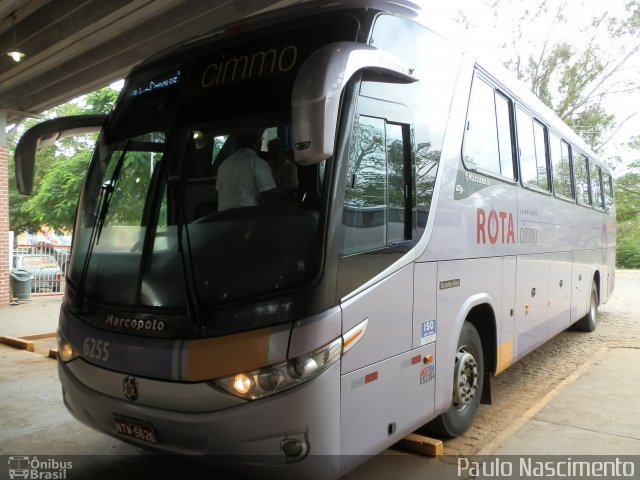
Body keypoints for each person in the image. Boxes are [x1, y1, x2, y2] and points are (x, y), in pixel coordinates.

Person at [216, 131, 277, 211]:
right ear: (257, 141)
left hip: (224, 217)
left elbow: (219, 191)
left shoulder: (223, 165)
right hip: (248, 216)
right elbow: (269, 197)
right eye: (261, 139)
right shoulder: (257, 162)